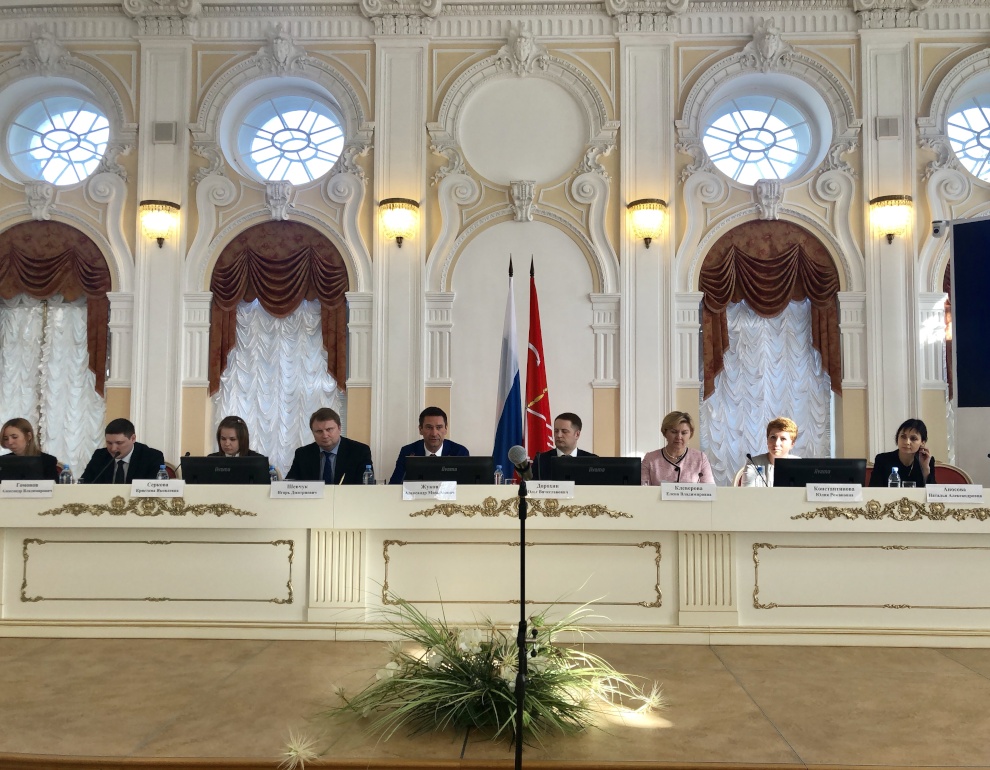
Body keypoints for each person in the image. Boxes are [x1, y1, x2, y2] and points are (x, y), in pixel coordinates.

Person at [286, 407, 373, 485]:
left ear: (339, 428)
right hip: (313, 498)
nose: (325, 435)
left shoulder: (359, 452)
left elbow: (365, 487)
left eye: (329, 429)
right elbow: (289, 485)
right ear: (313, 433)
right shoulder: (302, 454)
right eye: (319, 431)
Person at [389, 407, 469, 484]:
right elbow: (394, 485)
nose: (434, 433)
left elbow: (467, 488)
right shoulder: (408, 452)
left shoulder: (459, 452)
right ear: (420, 429)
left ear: (446, 429)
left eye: (439, 427)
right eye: (429, 427)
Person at [80, 418, 167, 484]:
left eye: (119, 443)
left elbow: (154, 490)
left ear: (133, 438)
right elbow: (85, 485)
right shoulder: (100, 456)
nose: (113, 448)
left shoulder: (151, 457)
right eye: (109, 443)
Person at [641, 411, 714, 485]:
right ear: (665, 432)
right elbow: (643, 490)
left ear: (690, 434)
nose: (679, 437)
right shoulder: (650, 459)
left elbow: (709, 489)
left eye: (684, 433)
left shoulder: (700, 458)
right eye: (674, 432)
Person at [868, 418, 936, 487]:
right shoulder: (882, 459)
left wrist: (925, 469)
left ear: (922, 442)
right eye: (903, 437)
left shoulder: (927, 460)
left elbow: (933, 492)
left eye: (913, 438)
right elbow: (874, 489)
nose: (907, 442)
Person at [738, 416, 800, 487]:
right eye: (773, 437)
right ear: (767, 440)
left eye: (783, 439)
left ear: (792, 444)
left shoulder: (798, 465)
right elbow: (747, 492)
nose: (776, 443)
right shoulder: (754, 463)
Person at [533, 412, 596, 480]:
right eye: (556, 431)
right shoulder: (540, 460)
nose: (559, 435)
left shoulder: (592, 461)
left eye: (564, 431)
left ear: (577, 434)